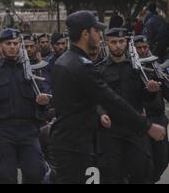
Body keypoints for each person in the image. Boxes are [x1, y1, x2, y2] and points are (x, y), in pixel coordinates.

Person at [48, 11, 166, 184]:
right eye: (96, 30)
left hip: (69, 142)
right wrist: (147, 127)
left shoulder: (64, 61)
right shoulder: (82, 66)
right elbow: (111, 100)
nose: (99, 35)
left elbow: (76, 104)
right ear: (85, 33)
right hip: (76, 146)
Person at [0, 29, 50, 184]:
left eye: (15, 43)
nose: (12, 47)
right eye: (8, 43)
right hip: (4, 129)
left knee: (36, 171)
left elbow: (44, 95)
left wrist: (43, 103)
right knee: (4, 175)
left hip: (28, 129)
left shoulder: (31, 70)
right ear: (0, 46)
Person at [96, 28, 160, 184]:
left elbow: (145, 99)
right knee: (112, 174)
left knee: (141, 171)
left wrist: (151, 91)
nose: (117, 45)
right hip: (111, 129)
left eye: (121, 41)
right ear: (106, 44)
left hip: (135, 128)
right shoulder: (99, 70)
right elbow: (95, 98)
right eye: (113, 42)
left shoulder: (137, 68)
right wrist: (101, 113)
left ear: (126, 42)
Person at [134, 35, 169, 183]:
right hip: (142, 119)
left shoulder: (156, 66)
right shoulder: (131, 68)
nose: (142, 50)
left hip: (158, 117)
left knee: (162, 158)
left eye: (145, 47)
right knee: (145, 161)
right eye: (139, 48)